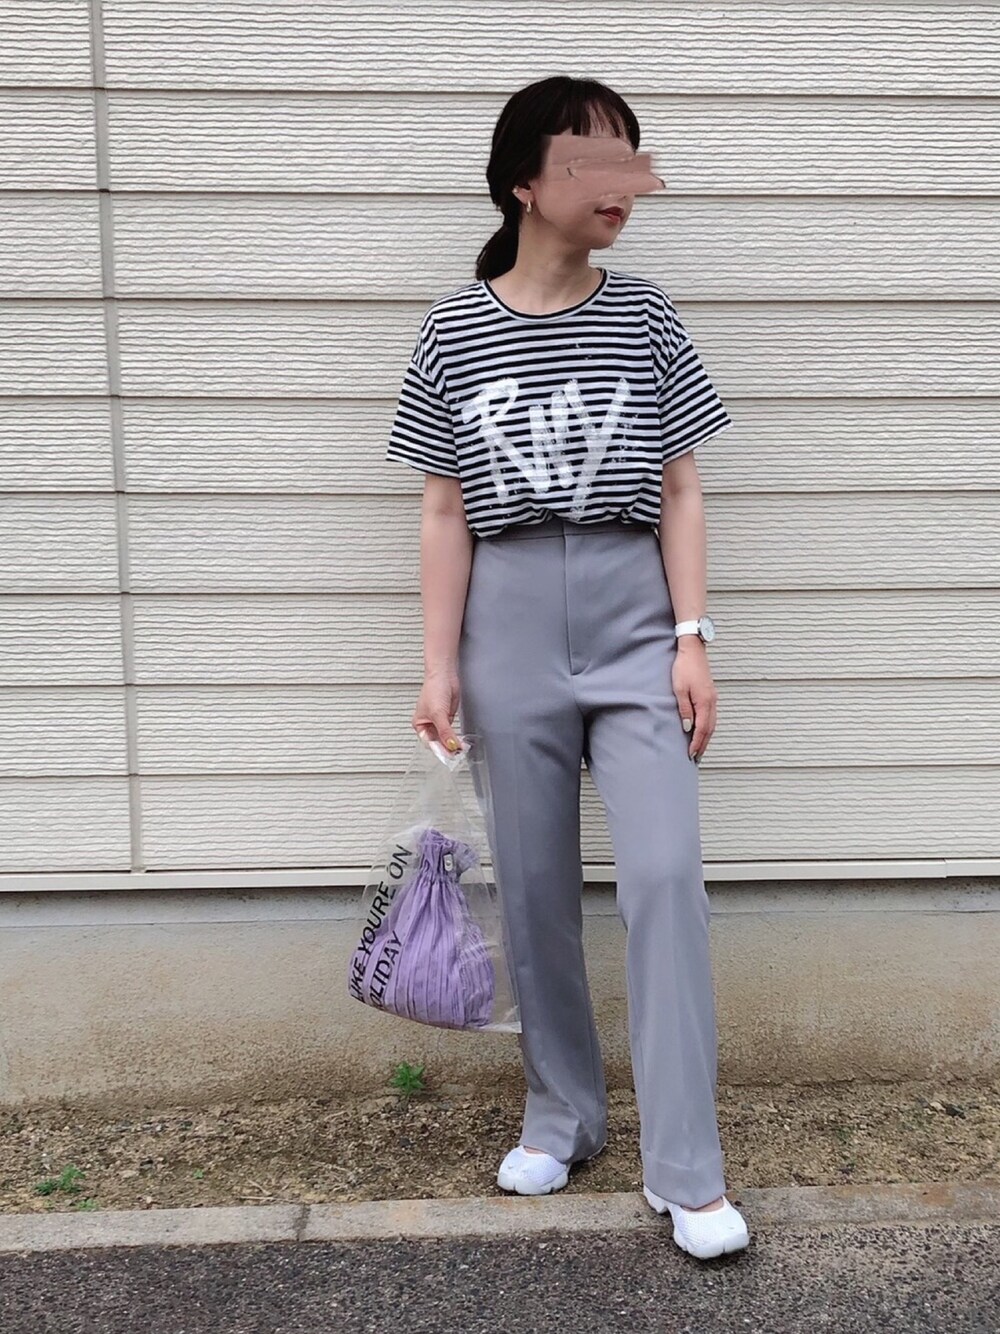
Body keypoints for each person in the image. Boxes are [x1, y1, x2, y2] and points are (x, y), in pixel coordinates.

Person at [384, 74, 750, 1261]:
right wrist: (438, 665)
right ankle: (562, 1114)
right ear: (523, 184)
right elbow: (443, 509)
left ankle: (685, 1166)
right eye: (596, 163)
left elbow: (681, 486)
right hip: (507, 616)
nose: (624, 187)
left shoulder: (643, 315)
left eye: (633, 161)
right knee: (534, 885)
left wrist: (691, 637)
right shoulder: (452, 329)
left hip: (631, 604)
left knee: (664, 876)